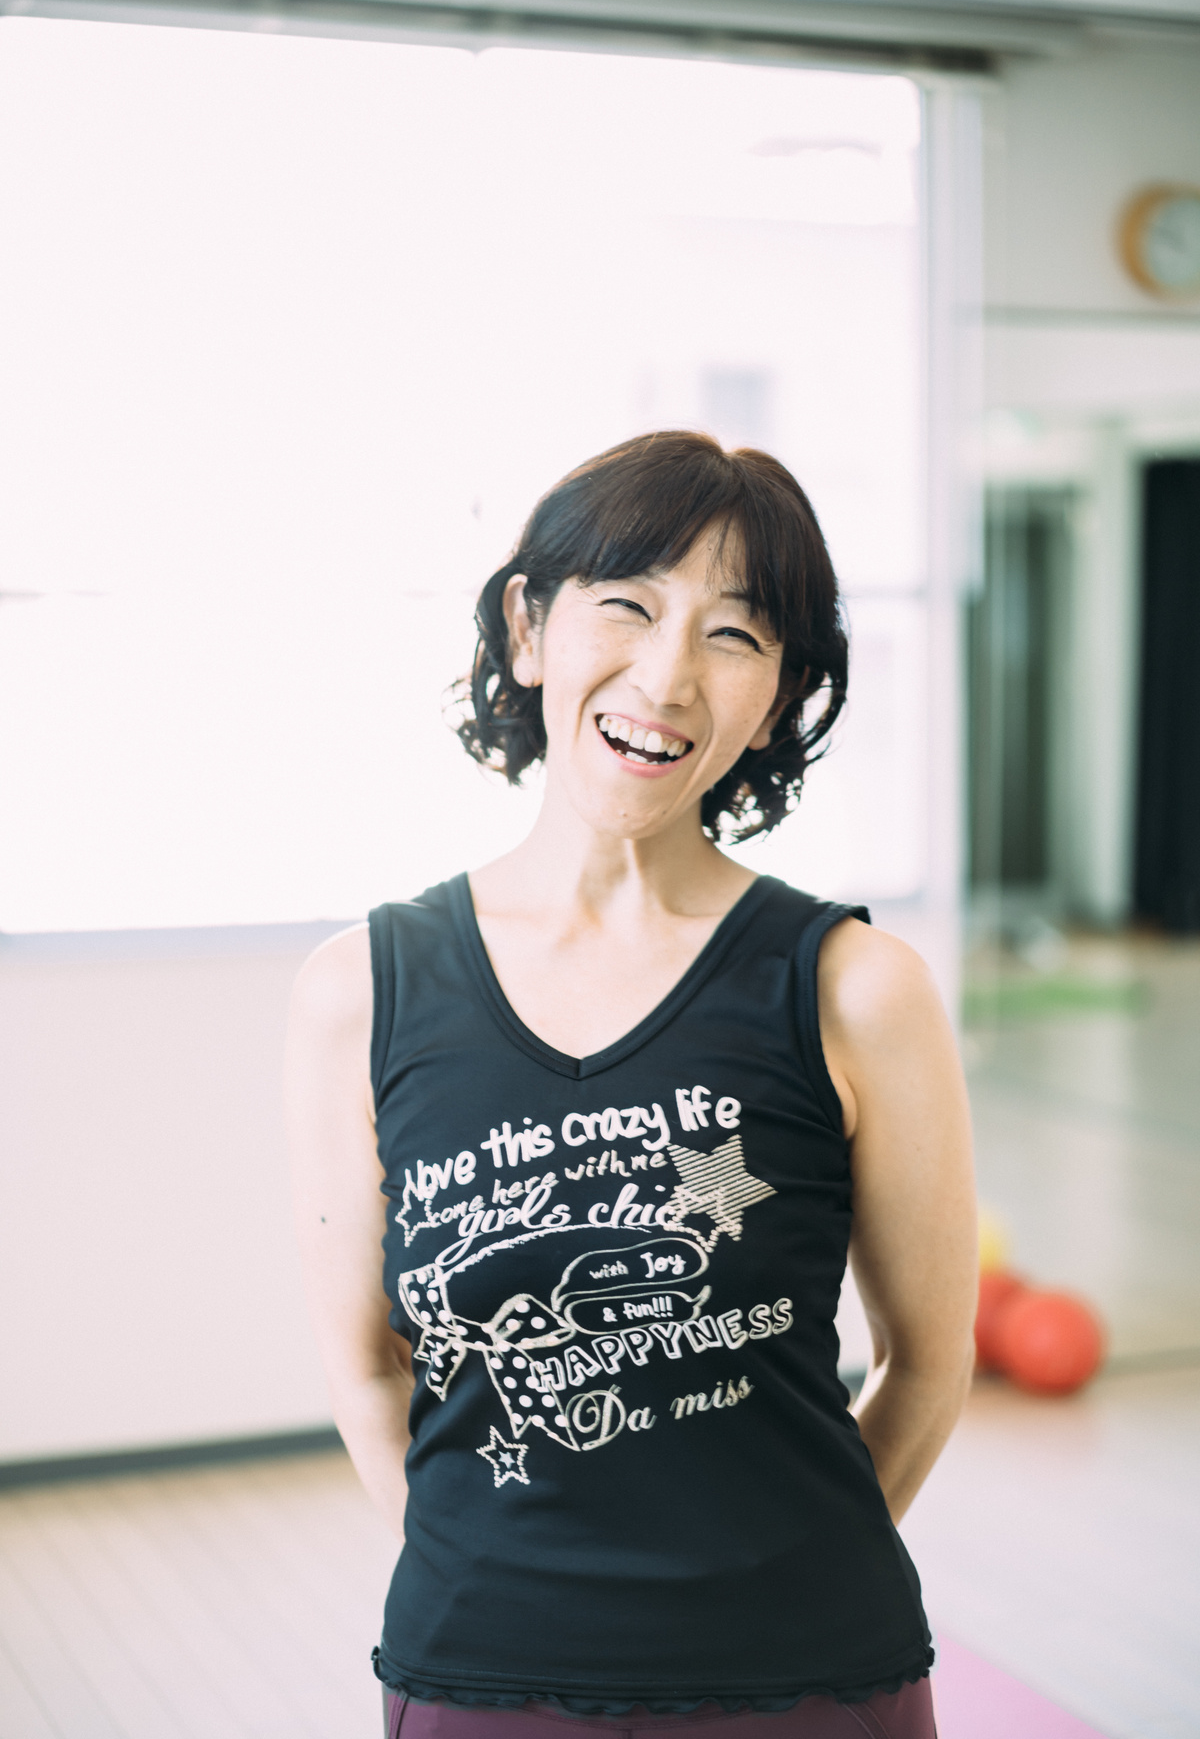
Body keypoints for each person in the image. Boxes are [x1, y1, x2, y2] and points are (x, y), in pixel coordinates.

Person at [284, 432, 977, 1739]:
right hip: (483, 1675)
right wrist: (505, 1588)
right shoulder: (361, 992)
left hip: (812, 1676)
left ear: (777, 696)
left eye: (736, 633)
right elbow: (368, 1370)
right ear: (527, 627)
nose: (667, 677)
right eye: (627, 604)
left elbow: (930, 1362)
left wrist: (769, 1597)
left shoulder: (858, 990)